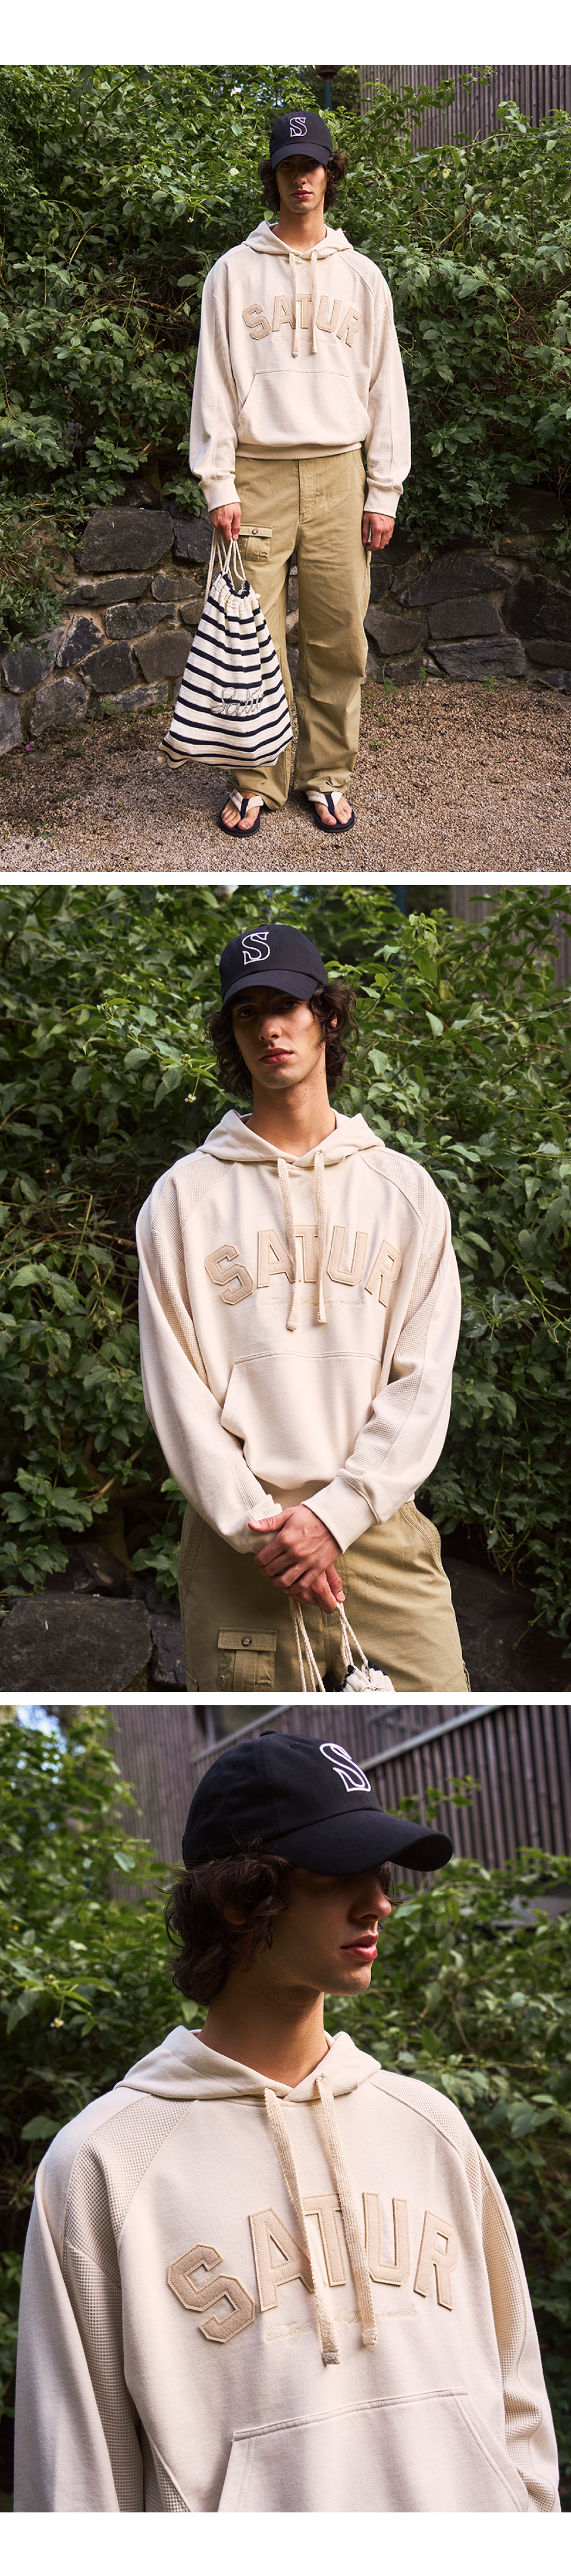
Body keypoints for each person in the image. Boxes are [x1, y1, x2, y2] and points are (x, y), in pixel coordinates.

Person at [14, 1733, 560, 2514]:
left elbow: (518, 2401)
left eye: (382, 1873)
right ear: (238, 1899)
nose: (380, 1902)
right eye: (341, 1872)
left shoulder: (430, 2126)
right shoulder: (105, 2163)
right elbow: (75, 2479)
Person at [136, 920, 468, 1696]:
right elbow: (175, 1391)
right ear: (231, 1033)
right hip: (240, 1546)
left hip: (377, 1530)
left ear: (329, 1016)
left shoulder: (405, 1193)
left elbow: (424, 1380)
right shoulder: (182, 1199)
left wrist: (336, 1515)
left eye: (285, 1005)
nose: (269, 1029)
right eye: (246, 1012)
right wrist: (266, 1532)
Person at [161, 108, 410, 836]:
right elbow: (213, 381)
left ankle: (327, 774)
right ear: (273, 177)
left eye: (313, 166)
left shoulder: (363, 277)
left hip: (340, 475)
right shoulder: (233, 272)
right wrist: (218, 482)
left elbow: (385, 388)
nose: (302, 179)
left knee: (340, 640)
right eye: (289, 167)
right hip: (258, 476)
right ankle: (256, 780)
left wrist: (384, 490)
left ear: (331, 175)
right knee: (254, 641)